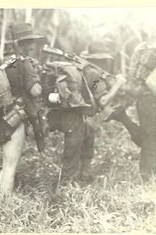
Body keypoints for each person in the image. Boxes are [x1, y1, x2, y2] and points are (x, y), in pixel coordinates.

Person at [43, 41, 126, 184]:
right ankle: (65, 187)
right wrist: (118, 84)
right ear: (100, 60)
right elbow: (103, 101)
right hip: (76, 117)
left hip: (69, 115)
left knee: (82, 146)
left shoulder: (81, 69)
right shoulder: (94, 74)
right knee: (73, 154)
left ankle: (82, 178)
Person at [0, 23, 44, 196]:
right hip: (15, 119)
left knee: (6, 162)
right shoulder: (25, 64)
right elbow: (35, 90)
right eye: (29, 43)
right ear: (20, 44)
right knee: (11, 165)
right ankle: (4, 207)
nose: (32, 46)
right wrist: (40, 82)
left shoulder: (3, 63)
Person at [107, 41, 156, 180]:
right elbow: (151, 81)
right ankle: (147, 175)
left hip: (146, 98)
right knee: (150, 137)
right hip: (150, 99)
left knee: (149, 137)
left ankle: (123, 117)